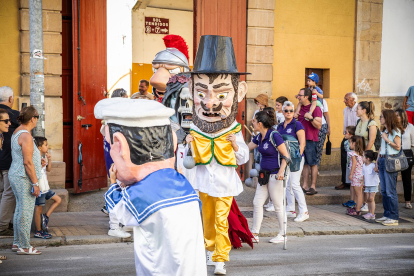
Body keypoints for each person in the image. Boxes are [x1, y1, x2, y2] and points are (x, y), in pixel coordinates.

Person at [96, 98, 206, 276]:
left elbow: (120, 211)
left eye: (111, 146)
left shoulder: (143, 194)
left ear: (121, 146)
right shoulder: (182, 184)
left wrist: (114, 182)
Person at [185, 35, 251, 275]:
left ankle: (220, 259)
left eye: (221, 95)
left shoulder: (234, 130)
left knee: (221, 221)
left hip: (224, 184)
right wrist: (189, 146)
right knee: (206, 220)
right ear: (191, 91)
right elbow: (187, 163)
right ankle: (208, 250)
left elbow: (243, 158)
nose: (210, 103)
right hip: (201, 183)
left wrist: (235, 145)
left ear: (239, 92)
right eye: (202, 94)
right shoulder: (193, 129)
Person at [248, 107, 289, 244]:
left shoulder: (274, 135)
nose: (252, 123)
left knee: (278, 204)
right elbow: (246, 148)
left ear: (260, 124)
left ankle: (283, 234)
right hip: (264, 175)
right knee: (257, 202)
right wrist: (233, 143)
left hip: (275, 175)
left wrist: (281, 172)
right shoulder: (259, 137)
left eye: (254, 121)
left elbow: (286, 156)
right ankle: (254, 233)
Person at [9, 106, 42, 254]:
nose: (37, 120)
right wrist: (35, 183)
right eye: (37, 117)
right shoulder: (26, 136)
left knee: (19, 210)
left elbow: (26, 157)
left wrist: (38, 160)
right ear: (33, 118)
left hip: (17, 174)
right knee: (26, 211)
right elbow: (27, 163)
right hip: (23, 177)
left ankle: (17, 243)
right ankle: (24, 245)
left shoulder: (18, 132)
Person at [100, 91, 131, 238]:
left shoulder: (109, 122)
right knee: (117, 194)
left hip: (115, 163)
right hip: (117, 164)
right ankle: (114, 226)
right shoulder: (114, 124)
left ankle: (122, 224)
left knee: (121, 194)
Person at [276, 101, 309, 222]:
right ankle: (290, 209)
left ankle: (304, 211)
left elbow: (302, 143)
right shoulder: (280, 126)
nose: (289, 113)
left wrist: (297, 157)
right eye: (286, 111)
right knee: (287, 183)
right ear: (283, 112)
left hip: (295, 158)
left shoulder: (297, 124)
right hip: (284, 159)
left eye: (291, 110)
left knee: (294, 184)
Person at [375, 110, 403, 226]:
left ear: (387, 118)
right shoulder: (384, 131)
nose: (380, 118)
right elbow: (381, 148)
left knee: (390, 191)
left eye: (381, 117)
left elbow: (398, 147)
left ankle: (394, 217)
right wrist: (376, 162)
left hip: (390, 160)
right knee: (384, 190)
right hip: (382, 160)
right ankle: (387, 214)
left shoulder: (395, 131)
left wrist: (387, 139)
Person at [0, 86, 20, 237]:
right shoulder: (14, 115)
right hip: (8, 160)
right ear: (11, 99)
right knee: (9, 193)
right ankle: (3, 226)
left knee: (2, 192)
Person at [33, 137, 61, 239]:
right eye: (46, 145)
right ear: (39, 147)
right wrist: (40, 166)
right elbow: (34, 173)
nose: (47, 146)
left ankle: (46, 216)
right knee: (38, 208)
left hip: (46, 187)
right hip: (39, 187)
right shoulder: (35, 159)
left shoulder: (43, 157)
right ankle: (38, 231)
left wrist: (49, 160)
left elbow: (48, 170)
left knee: (58, 199)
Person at [297, 88, 322, 195]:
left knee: (312, 163)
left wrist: (311, 118)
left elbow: (319, 126)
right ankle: (305, 185)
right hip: (300, 140)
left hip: (311, 139)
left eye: (300, 95)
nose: (298, 97)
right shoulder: (300, 107)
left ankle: (313, 186)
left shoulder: (316, 109)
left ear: (306, 97)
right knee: (305, 164)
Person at [355, 101, 378, 211]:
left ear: (364, 110)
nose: (356, 110)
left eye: (358, 108)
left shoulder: (371, 123)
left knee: (368, 180)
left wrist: (364, 153)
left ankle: (368, 203)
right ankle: (363, 202)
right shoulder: (359, 121)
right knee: (361, 179)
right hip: (359, 155)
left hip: (367, 156)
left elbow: (371, 140)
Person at [336, 92, 358, 190]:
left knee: (354, 160)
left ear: (353, 99)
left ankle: (353, 181)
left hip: (355, 138)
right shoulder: (345, 110)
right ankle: (345, 181)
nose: (344, 101)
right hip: (346, 137)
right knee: (344, 160)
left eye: (346, 99)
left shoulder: (358, 109)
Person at [395, 109, 414, 209]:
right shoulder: (393, 127)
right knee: (393, 177)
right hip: (394, 154)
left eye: (397, 115)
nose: (396, 117)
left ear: (402, 116)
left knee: (406, 179)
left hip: (406, 155)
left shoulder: (410, 127)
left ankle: (407, 201)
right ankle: (393, 201)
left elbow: (413, 143)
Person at [346, 136, 365, 216]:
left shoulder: (353, 154)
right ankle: (357, 207)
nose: (349, 144)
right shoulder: (361, 154)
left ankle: (357, 210)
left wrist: (351, 174)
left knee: (358, 194)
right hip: (360, 175)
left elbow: (354, 164)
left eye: (350, 142)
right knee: (359, 193)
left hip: (356, 175)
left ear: (354, 143)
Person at [362, 150, 379, 220]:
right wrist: (363, 183)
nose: (362, 158)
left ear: (367, 158)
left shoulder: (373, 166)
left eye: (363, 156)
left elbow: (377, 172)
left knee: (371, 198)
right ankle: (369, 212)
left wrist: (377, 170)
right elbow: (363, 175)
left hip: (373, 184)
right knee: (368, 199)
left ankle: (372, 213)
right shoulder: (363, 166)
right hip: (367, 185)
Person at [342, 126, 356, 208]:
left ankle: (356, 201)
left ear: (351, 135)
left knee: (355, 184)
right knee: (351, 184)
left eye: (346, 132)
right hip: (349, 165)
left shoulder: (354, 144)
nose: (344, 133)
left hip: (354, 166)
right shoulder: (345, 143)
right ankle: (352, 199)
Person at [316, 99, 330, 167]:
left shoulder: (322, 101)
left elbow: (326, 114)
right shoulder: (306, 100)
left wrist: (329, 127)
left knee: (319, 149)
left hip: (322, 126)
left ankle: (316, 168)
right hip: (310, 126)